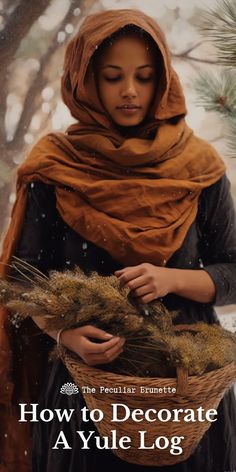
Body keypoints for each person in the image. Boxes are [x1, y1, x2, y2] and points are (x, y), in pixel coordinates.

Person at [0, 8, 236, 472]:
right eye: (112, 77)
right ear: (85, 81)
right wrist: (63, 332)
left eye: (144, 77)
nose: (129, 91)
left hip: (186, 397)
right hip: (81, 398)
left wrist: (173, 279)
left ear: (162, 81)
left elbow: (234, 270)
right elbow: (21, 283)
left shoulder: (199, 169)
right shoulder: (55, 169)